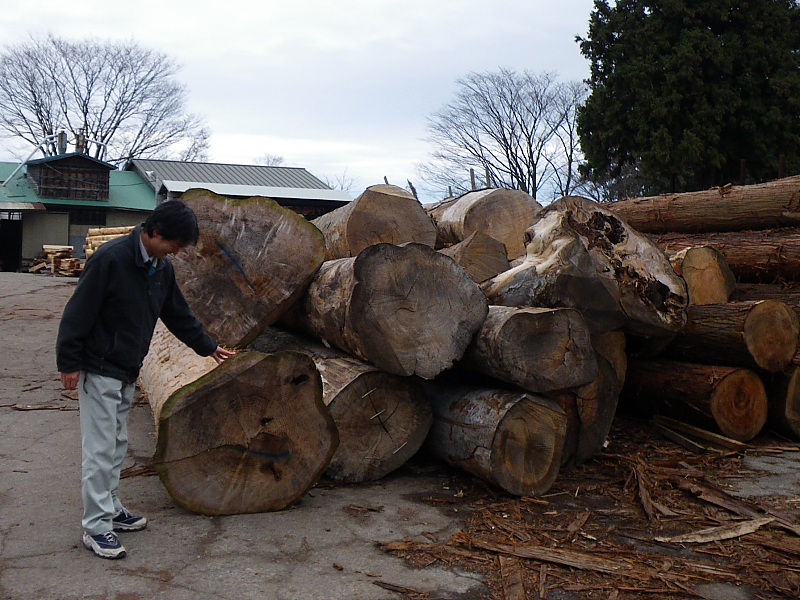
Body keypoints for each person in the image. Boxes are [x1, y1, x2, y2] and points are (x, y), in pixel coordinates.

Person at [56, 200, 234, 560]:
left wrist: (208, 346)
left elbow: (177, 314)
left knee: (118, 443)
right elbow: (78, 311)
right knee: (100, 450)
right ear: (153, 233)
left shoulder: (160, 268)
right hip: (100, 364)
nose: (176, 251)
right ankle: (96, 526)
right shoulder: (111, 259)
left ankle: (110, 506)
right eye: (173, 243)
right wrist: (69, 362)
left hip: (126, 368)